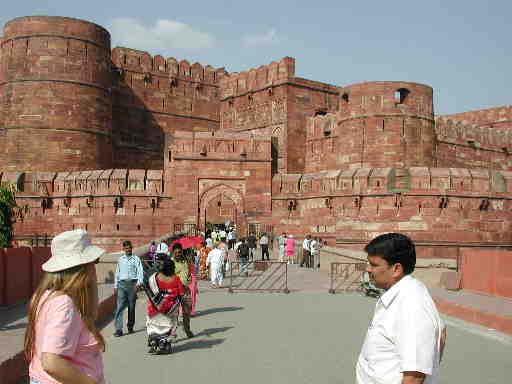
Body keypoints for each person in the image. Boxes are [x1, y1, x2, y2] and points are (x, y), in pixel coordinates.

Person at [356, 233, 447, 384]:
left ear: (396, 269)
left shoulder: (412, 305)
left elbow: (415, 376)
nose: (368, 269)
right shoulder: (400, 295)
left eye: (374, 264)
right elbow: (442, 334)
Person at [25, 229, 106, 384]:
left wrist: (91, 283)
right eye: (93, 262)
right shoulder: (65, 304)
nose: (94, 267)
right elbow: (51, 362)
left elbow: (91, 315)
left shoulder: (45, 295)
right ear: (81, 268)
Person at [144, 254, 184, 355]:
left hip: (154, 308)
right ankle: (164, 345)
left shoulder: (154, 278)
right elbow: (181, 294)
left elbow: (148, 288)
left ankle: (154, 343)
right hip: (170, 310)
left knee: (154, 326)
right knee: (166, 327)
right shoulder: (176, 279)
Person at [113, 240, 144, 337]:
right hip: (122, 284)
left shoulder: (136, 259)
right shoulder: (120, 259)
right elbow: (117, 272)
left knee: (131, 307)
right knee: (120, 307)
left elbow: (140, 271)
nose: (128, 250)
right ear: (123, 249)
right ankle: (119, 329)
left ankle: (130, 326)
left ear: (131, 248)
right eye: (126, 248)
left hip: (132, 284)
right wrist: (115, 285)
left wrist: (139, 283)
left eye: (129, 248)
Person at [171, 243, 195, 338]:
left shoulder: (185, 261)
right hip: (175, 290)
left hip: (185, 290)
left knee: (187, 311)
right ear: (173, 253)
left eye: (179, 252)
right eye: (176, 253)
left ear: (182, 252)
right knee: (174, 312)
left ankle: (187, 329)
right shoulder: (171, 263)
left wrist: (189, 277)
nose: (177, 254)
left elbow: (188, 272)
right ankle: (172, 332)